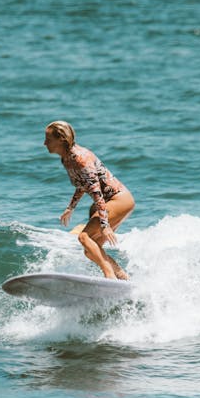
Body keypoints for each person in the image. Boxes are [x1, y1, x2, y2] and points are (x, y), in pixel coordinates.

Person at [44, 120, 135, 280]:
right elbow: (83, 184)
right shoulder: (67, 158)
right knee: (90, 250)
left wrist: (104, 225)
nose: (44, 143)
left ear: (61, 139)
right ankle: (122, 276)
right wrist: (70, 207)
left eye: (48, 139)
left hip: (118, 200)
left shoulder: (80, 159)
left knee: (83, 237)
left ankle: (110, 276)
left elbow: (97, 192)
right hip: (111, 201)